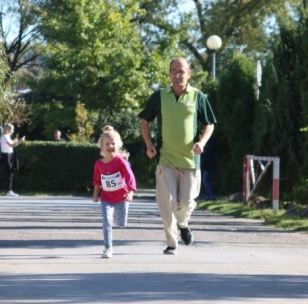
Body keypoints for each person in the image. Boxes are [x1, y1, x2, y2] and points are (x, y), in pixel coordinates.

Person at [138, 57, 217, 255]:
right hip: (166, 160)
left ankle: (183, 225)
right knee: (167, 204)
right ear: (169, 73)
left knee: (187, 203)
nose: (177, 74)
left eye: (181, 71)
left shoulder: (198, 96)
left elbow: (210, 123)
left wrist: (202, 142)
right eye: (173, 70)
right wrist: (149, 145)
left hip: (191, 160)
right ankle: (172, 243)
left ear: (189, 73)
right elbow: (144, 120)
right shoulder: (159, 96)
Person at [92, 130, 137, 258]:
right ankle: (108, 248)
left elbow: (131, 178)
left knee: (121, 224)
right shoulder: (99, 164)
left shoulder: (121, 162)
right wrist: (96, 195)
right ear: (102, 146)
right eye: (107, 144)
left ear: (118, 146)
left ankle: (118, 216)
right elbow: (97, 181)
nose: (110, 146)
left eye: (113, 144)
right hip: (106, 198)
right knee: (106, 221)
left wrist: (131, 192)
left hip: (121, 198)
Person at [0, 123, 25, 197]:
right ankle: (0, 187)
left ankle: (4, 189)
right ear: (8, 129)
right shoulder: (4, 137)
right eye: (12, 129)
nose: (13, 131)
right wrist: (20, 141)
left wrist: (16, 141)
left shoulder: (8, 137)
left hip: (10, 155)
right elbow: (11, 145)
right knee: (9, 173)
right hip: (6, 156)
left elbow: (12, 144)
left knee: (10, 173)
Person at [201, 135, 217, 201]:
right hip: (208, 163)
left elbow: (207, 154)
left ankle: (211, 196)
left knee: (206, 180)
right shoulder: (210, 141)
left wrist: (202, 162)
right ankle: (209, 195)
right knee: (206, 180)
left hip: (209, 164)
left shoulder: (210, 142)